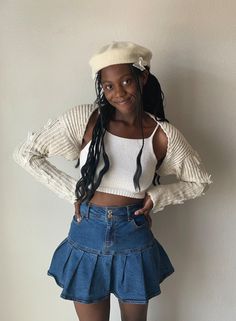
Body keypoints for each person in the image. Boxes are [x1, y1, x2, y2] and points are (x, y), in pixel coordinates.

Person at [13, 41, 213, 321]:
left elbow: (199, 181)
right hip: (86, 235)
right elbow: (27, 154)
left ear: (143, 78)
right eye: (108, 86)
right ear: (102, 88)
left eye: (126, 81)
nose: (118, 92)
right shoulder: (85, 119)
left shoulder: (162, 134)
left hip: (134, 236)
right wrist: (76, 191)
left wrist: (156, 196)